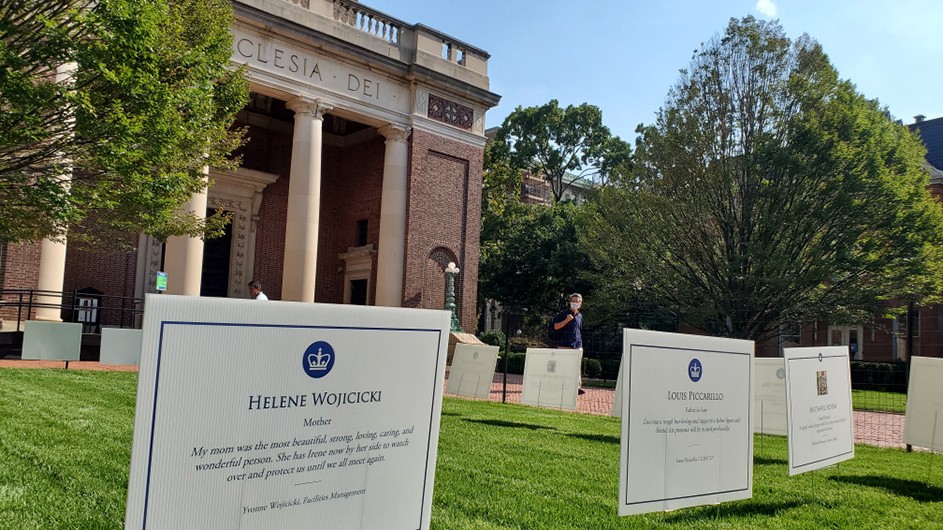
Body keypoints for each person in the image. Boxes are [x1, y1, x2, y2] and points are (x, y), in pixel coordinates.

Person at [551, 293, 585, 394]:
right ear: (570, 302)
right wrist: (567, 320)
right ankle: (561, 386)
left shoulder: (580, 316)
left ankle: (577, 387)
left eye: (577, 301)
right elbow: (556, 327)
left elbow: (579, 330)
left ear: (580, 303)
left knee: (577, 368)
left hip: (577, 345)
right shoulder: (562, 314)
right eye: (573, 301)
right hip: (564, 345)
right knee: (563, 367)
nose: (575, 303)